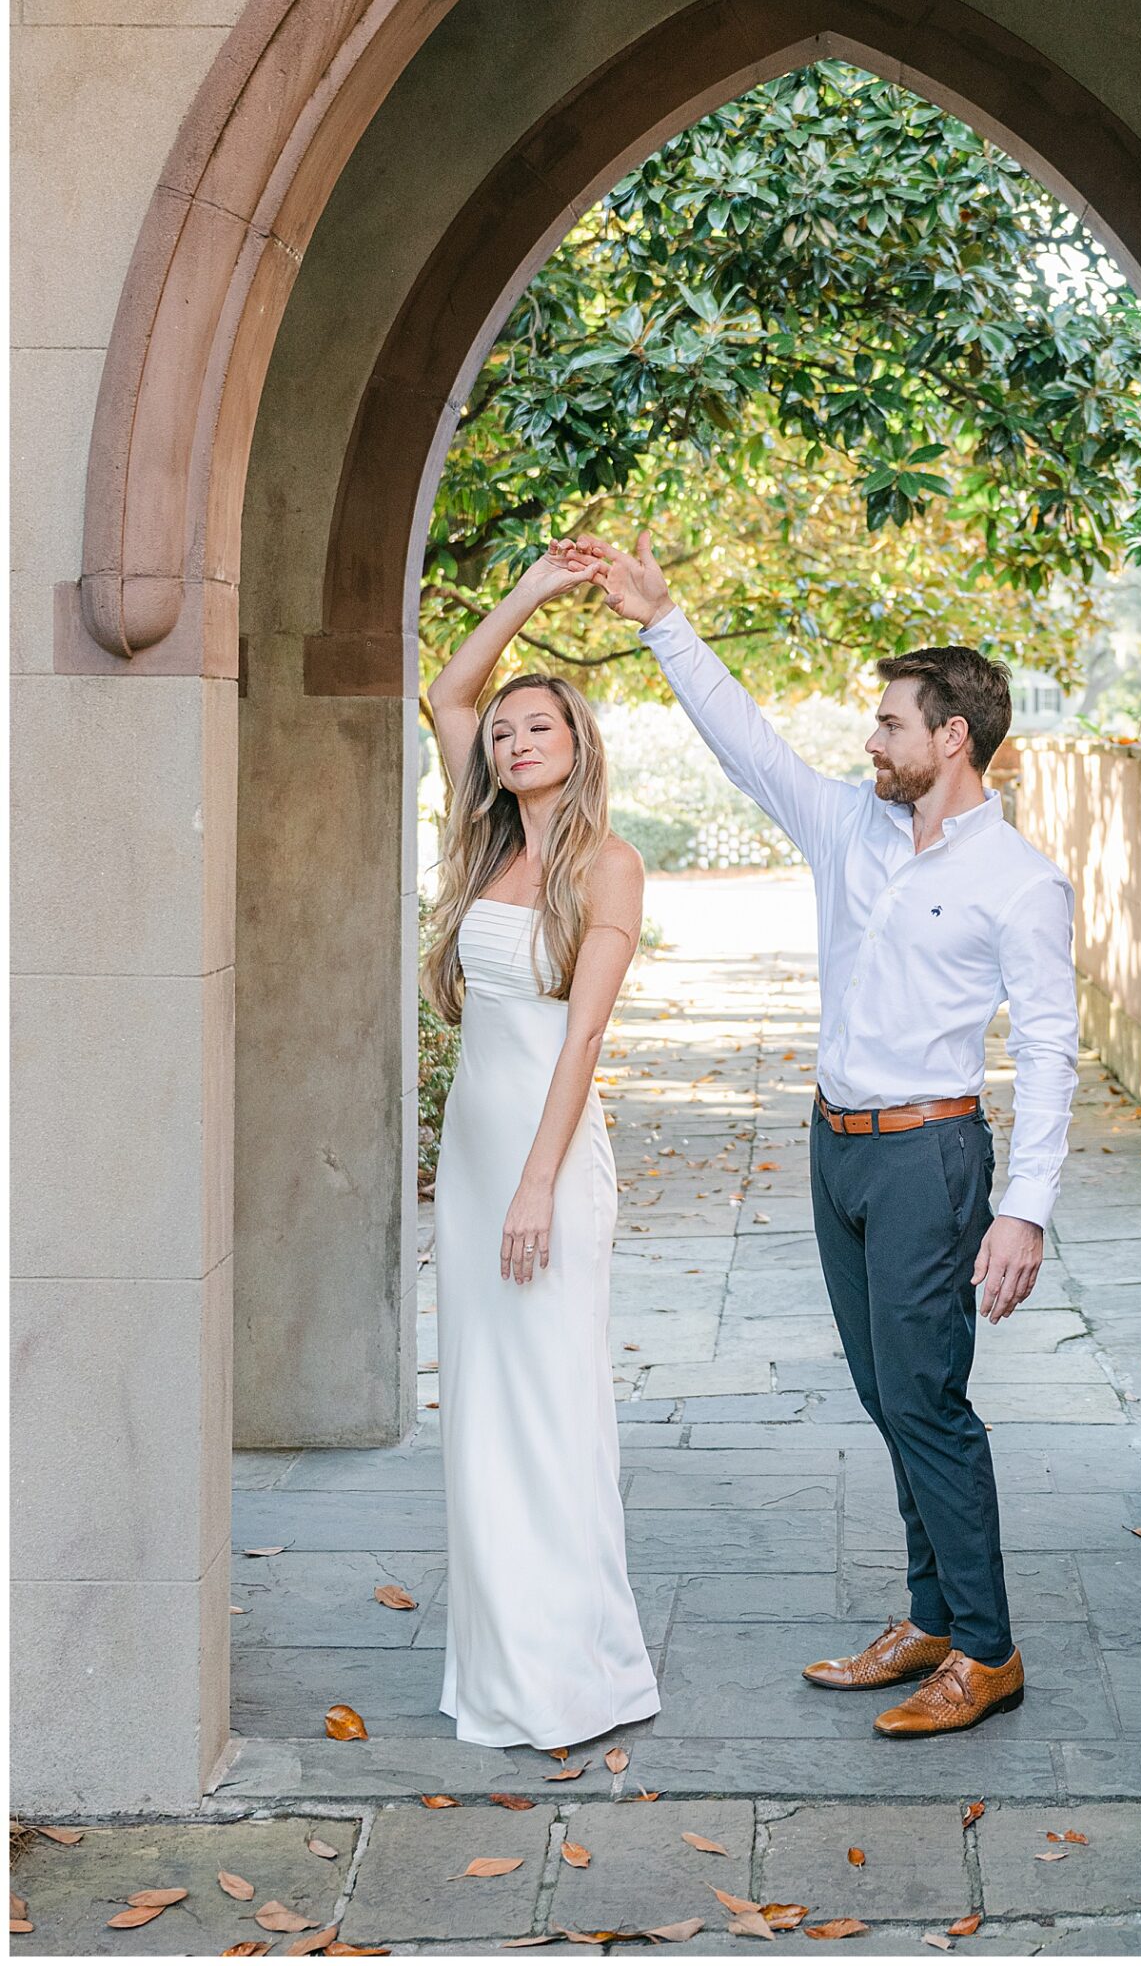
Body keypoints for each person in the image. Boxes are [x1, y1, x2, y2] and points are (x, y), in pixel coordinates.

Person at [565, 530, 1080, 1739]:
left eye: (891, 722)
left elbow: (1049, 1049)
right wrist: (660, 615)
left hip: (930, 1155)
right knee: (880, 1389)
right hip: (835, 1145)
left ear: (951, 736)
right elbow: (743, 739)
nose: (870, 738)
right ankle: (933, 1617)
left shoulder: (1021, 879)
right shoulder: (845, 825)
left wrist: (1027, 1209)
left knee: (928, 1396)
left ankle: (989, 1649)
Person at [421, 543, 661, 1750]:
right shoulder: (490, 852)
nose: (513, 739)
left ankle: (575, 1675)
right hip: (474, 1160)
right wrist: (530, 591)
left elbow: (582, 1047)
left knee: (549, 1403)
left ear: (580, 745)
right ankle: (496, 1670)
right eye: (506, 731)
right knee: (479, 1404)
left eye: (540, 725)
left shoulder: (604, 864)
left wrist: (535, 1185)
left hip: (548, 1163)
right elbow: (444, 694)